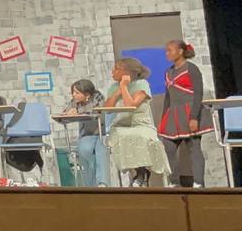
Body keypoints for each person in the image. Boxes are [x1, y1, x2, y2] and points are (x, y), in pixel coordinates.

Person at [104, 57, 170, 187]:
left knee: (138, 136)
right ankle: (141, 174)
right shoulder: (113, 87)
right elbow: (107, 109)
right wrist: (117, 92)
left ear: (128, 71)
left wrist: (124, 86)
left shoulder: (142, 84)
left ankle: (141, 174)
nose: (113, 71)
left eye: (117, 69)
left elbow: (131, 105)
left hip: (141, 123)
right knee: (121, 136)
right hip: (121, 123)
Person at [158, 39, 213, 187]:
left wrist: (194, 117)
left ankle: (198, 182)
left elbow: (198, 93)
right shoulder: (168, 72)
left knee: (193, 147)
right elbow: (168, 97)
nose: (167, 53)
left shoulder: (191, 68)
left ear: (181, 51)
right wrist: (164, 119)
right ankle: (174, 181)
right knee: (168, 147)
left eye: (170, 50)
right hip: (173, 114)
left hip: (189, 111)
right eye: (166, 50)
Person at [63, 79, 107, 187]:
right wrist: (69, 113)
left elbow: (97, 110)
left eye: (77, 93)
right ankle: (89, 186)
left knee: (101, 148)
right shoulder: (74, 101)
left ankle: (102, 183)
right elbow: (65, 113)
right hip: (87, 135)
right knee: (85, 149)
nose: (74, 95)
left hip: (102, 133)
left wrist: (78, 112)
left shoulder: (97, 96)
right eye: (73, 92)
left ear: (87, 94)